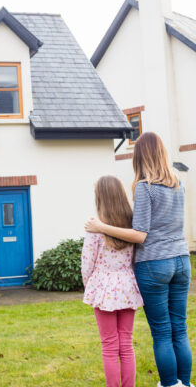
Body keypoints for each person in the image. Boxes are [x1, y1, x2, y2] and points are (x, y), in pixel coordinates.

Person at [85, 132, 193, 387]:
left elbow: (140, 235)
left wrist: (102, 227)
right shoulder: (178, 184)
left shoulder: (145, 187)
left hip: (155, 264)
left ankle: (169, 384)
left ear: (140, 157)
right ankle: (184, 384)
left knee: (163, 331)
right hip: (182, 261)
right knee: (180, 327)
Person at [82, 175, 143, 387]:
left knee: (109, 345)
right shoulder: (132, 225)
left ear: (100, 197)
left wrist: (88, 284)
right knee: (126, 343)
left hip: (104, 288)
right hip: (127, 286)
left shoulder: (95, 227)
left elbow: (87, 262)